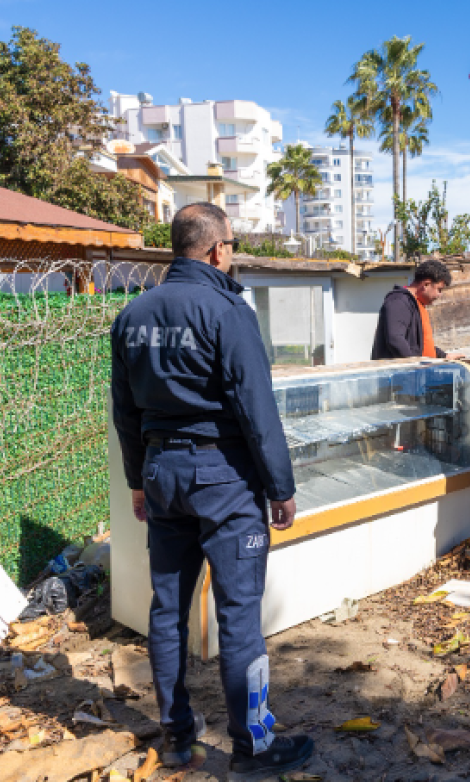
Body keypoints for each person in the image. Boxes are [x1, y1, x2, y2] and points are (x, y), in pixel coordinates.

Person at [111, 203, 315, 781]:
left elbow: (125, 412)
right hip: (222, 478)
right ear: (218, 249)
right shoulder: (227, 309)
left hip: (162, 476)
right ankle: (253, 747)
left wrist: (136, 481)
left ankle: (177, 735)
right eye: (233, 247)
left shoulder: (133, 315)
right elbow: (258, 408)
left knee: (168, 613)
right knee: (239, 618)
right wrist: (280, 487)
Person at [370, 259, 465, 360]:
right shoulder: (398, 301)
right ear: (426, 284)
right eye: (439, 290)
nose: (439, 295)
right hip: (400, 373)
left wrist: (444, 356)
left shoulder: (417, 304)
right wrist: (415, 366)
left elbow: (419, 346)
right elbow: (395, 340)